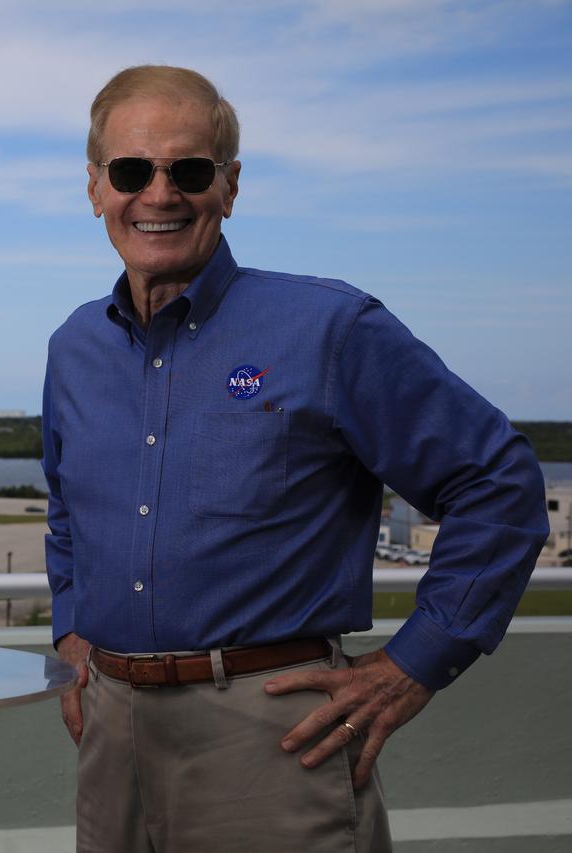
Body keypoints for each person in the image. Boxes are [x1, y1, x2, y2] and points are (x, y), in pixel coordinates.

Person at [42, 65, 549, 852]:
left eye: (191, 170)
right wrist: (72, 631)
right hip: (109, 732)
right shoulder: (74, 347)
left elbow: (500, 484)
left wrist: (411, 666)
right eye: (133, 170)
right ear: (96, 186)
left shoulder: (331, 328)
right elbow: (68, 506)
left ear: (231, 186)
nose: (160, 193)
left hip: (271, 734)